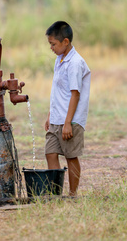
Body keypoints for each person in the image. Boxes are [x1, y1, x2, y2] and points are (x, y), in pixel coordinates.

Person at [44, 21, 91, 197]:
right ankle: (55, 193)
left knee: (71, 156)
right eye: (50, 44)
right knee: (50, 153)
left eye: (53, 44)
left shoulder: (75, 63)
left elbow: (75, 94)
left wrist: (68, 123)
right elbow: (57, 91)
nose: (51, 48)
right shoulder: (60, 59)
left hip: (70, 120)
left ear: (65, 41)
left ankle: (72, 195)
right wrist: (50, 114)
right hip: (57, 117)